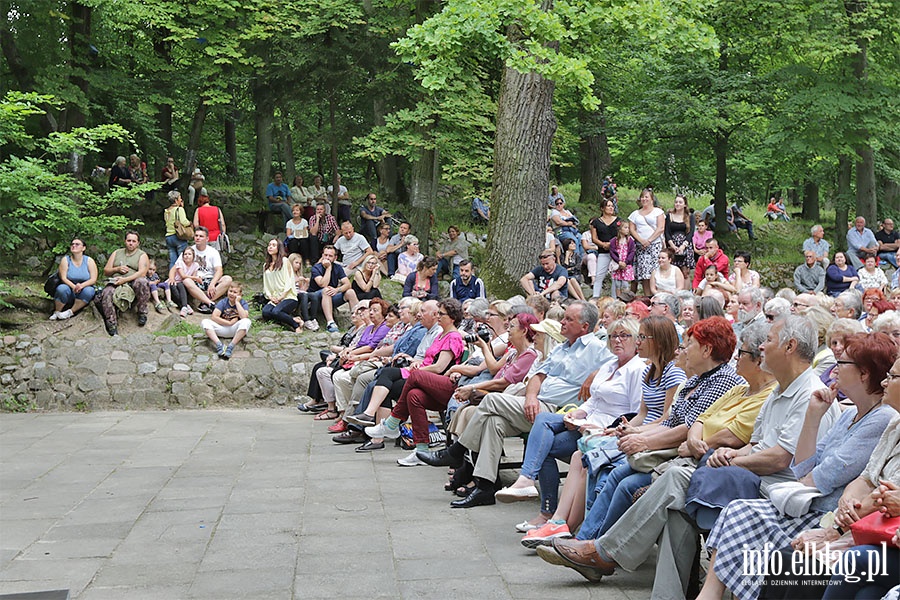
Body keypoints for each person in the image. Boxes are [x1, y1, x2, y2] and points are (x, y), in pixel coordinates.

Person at [696, 332, 896, 600]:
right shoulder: (850, 413)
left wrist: (810, 482)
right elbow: (804, 469)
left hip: (823, 512)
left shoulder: (882, 418)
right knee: (737, 511)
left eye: (842, 363)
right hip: (814, 505)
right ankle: (711, 594)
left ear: (863, 373)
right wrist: (814, 415)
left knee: (746, 516)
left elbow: (821, 477)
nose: (834, 368)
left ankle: (712, 594)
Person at [416, 301, 612, 508]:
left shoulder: (595, 348)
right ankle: (485, 487)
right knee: (493, 422)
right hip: (535, 404)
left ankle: (456, 452)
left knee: (491, 399)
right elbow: (537, 375)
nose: (562, 322)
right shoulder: (562, 347)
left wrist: (595, 374)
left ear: (585, 327)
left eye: (569, 319)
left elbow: (622, 364)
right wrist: (531, 396)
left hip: (558, 411)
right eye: (564, 317)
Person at [519, 316, 684, 540]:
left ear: (659, 341)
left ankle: (571, 530)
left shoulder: (669, 373)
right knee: (566, 445)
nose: (637, 342)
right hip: (624, 429)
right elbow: (642, 414)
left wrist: (627, 430)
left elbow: (664, 418)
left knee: (586, 457)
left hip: (647, 435)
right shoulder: (648, 371)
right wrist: (621, 428)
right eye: (614, 336)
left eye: (640, 337)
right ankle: (558, 521)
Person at [495, 318, 645, 509]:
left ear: (637, 340)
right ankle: (527, 482)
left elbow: (634, 414)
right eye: (614, 336)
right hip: (587, 422)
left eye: (624, 336)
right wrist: (579, 413)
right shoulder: (610, 365)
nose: (617, 340)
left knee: (544, 447)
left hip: (606, 431)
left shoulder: (637, 369)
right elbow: (594, 400)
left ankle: (545, 509)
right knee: (543, 419)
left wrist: (601, 428)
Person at [361, 299, 467, 466]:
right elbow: (430, 360)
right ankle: (421, 451)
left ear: (452, 318)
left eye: (441, 314)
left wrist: (416, 371)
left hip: (449, 385)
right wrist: (418, 364)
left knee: (414, 377)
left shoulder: (453, 337)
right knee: (413, 395)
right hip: (436, 382)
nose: (438, 316)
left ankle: (392, 422)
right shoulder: (441, 335)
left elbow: (439, 367)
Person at [97, 231, 150, 336]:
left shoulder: (142, 255)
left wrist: (125, 280)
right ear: (125, 241)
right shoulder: (117, 252)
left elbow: (142, 272)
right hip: (116, 281)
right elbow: (106, 270)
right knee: (107, 292)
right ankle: (111, 324)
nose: (131, 243)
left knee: (142, 282)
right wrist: (117, 269)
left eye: (134, 241)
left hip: (132, 281)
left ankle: (142, 312)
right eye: (129, 240)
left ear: (138, 243)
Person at [308, 245, 359, 333]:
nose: (327, 258)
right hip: (314, 299)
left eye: (330, 256)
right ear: (322, 255)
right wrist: (328, 268)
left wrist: (337, 290)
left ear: (335, 258)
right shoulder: (316, 268)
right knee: (326, 290)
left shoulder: (338, 268)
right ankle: (330, 323)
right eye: (325, 255)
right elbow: (323, 284)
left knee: (350, 292)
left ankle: (359, 321)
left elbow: (348, 284)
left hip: (331, 297)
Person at [182, 227, 232, 314]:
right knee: (186, 281)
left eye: (201, 236)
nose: (198, 238)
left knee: (228, 279)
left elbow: (219, 270)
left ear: (207, 239)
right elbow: (178, 265)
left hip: (210, 279)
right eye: (196, 235)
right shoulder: (189, 250)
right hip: (196, 280)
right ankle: (210, 303)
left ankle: (205, 302)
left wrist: (212, 284)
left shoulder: (213, 252)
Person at [49, 238, 98, 321]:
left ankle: (70, 312)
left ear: (83, 248)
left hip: (84, 288)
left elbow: (93, 279)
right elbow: (63, 277)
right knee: (62, 288)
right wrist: (74, 287)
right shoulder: (66, 260)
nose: (74, 246)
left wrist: (81, 286)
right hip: (69, 288)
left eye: (77, 244)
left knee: (89, 291)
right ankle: (57, 312)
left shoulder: (89, 261)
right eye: (72, 244)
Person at [629, 188, 666, 295]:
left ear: (652, 199)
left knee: (655, 270)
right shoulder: (635, 214)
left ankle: (657, 294)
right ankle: (647, 296)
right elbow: (632, 229)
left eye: (646, 197)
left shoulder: (658, 212)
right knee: (644, 273)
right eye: (642, 197)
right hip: (641, 246)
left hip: (655, 245)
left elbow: (660, 228)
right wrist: (641, 240)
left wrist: (649, 240)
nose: (644, 199)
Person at [200, 282, 251, 360]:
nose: (232, 294)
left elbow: (244, 317)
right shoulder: (223, 302)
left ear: (240, 294)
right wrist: (228, 323)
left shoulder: (243, 303)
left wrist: (237, 302)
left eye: (235, 292)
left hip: (235, 330)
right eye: (230, 291)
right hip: (222, 328)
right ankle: (219, 345)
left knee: (247, 321)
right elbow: (214, 317)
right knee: (205, 322)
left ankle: (230, 347)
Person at [261, 239, 300, 332]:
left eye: (273, 245)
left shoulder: (284, 261)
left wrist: (282, 296)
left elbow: (289, 280)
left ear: (279, 248)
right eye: (269, 245)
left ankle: (296, 325)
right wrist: (270, 297)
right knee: (265, 313)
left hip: (288, 296)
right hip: (274, 298)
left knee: (276, 312)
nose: (270, 247)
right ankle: (292, 319)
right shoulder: (265, 265)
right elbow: (266, 284)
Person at [590, 198, 621, 298]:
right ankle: (595, 296)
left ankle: (614, 298)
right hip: (603, 251)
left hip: (616, 252)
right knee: (599, 275)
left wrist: (613, 244)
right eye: (608, 206)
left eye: (612, 206)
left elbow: (622, 234)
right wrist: (603, 244)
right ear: (602, 208)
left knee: (615, 276)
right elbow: (594, 238)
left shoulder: (618, 221)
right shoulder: (596, 222)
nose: (611, 208)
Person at [665, 194, 696, 280]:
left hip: (685, 244)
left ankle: (684, 292)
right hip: (673, 244)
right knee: (672, 272)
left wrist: (683, 246)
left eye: (680, 202)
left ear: (685, 204)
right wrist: (673, 246)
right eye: (676, 202)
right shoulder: (669, 216)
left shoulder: (690, 216)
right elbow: (666, 232)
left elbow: (691, 232)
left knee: (685, 272)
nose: (678, 204)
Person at [162, 190, 192, 272]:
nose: (181, 200)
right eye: (180, 198)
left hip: (168, 236)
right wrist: (190, 223)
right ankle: (183, 277)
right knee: (183, 259)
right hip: (178, 236)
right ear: (176, 200)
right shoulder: (179, 209)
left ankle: (172, 278)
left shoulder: (166, 211)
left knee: (173, 260)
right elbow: (183, 222)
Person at [287, 253, 317, 330]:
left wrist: (306, 283)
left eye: (299, 263)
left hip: (299, 292)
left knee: (313, 295)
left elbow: (302, 290)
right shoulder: (287, 273)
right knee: (304, 296)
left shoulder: (298, 274)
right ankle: (306, 319)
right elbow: (286, 286)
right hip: (290, 293)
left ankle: (313, 318)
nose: (298, 265)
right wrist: (296, 280)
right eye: (296, 263)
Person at [609, 221, 636, 300]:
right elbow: (612, 252)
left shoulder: (630, 240)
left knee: (625, 283)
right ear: (620, 229)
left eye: (628, 228)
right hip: (618, 264)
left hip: (626, 265)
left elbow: (632, 252)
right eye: (625, 228)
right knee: (617, 283)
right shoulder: (614, 241)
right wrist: (618, 261)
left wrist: (626, 262)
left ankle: (625, 299)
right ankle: (617, 299)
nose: (627, 230)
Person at [170, 247, 200, 317]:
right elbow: (182, 276)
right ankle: (185, 306)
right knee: (174, 286)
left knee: (181, 285)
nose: (187, 256)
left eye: (189, 254)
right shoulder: (180, 263)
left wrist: (195, 278)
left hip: (184, 284)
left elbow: (193, 279)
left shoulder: (195, 265)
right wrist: (195, 278)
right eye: (185, 254)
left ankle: (184, 306)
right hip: (176, 281)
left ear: (193, 256)